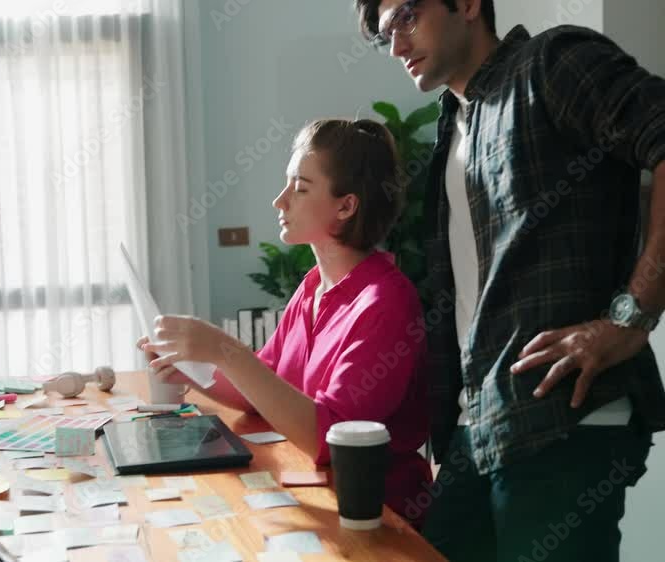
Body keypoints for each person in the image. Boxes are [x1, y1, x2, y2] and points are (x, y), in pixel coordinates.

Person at [352, 0, 665, 560]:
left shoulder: (554, 62)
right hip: (481, 427)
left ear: (468, 4)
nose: (396, 45)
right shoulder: (454, 124)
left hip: (566, 417)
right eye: (385, 34)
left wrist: (633, 316)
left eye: (405, 17)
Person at [137, 118, 431, 527]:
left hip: (374, 519)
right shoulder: (312, 287)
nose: (280, 200)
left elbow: (330, 440)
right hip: (314, 497)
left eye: (301, 187)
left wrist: (225, 350)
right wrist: (190, 366)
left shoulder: (385, 303)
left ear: (346, 206)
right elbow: (263, 386)